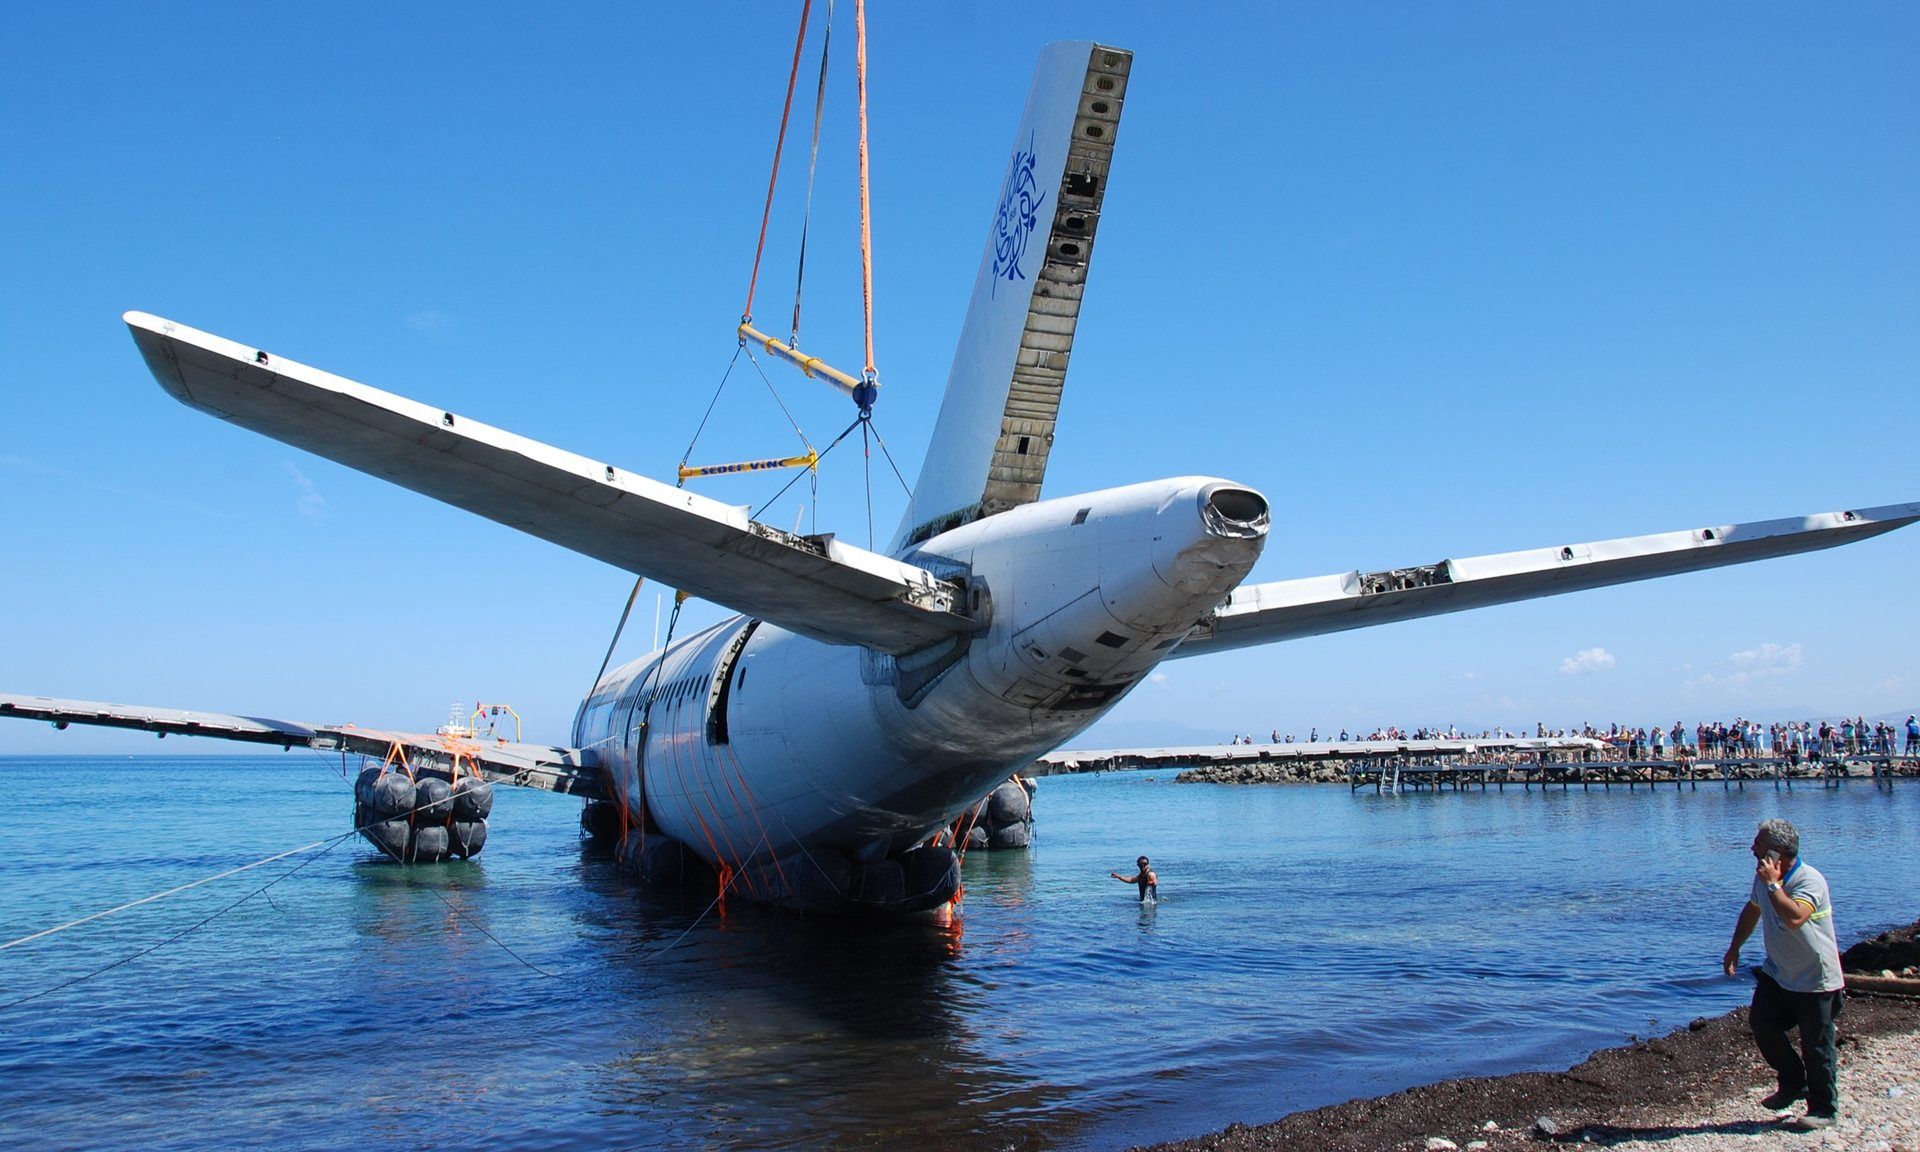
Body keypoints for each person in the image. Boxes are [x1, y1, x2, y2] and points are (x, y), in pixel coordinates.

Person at [1720, 819, 1844, 1131]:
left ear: (1777, 852)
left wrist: (1774, 885)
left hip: (1816, 977)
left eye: (1758, 844)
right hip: (1778, 972)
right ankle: (1792, 1081)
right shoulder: (1763, 878)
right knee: (1762, 1023)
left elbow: (1796, 917)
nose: (1752, 848)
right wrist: (1735, 947)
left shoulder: (1809, 879)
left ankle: (1824, 1108)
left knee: (1817, 1045)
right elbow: (1752, 910)